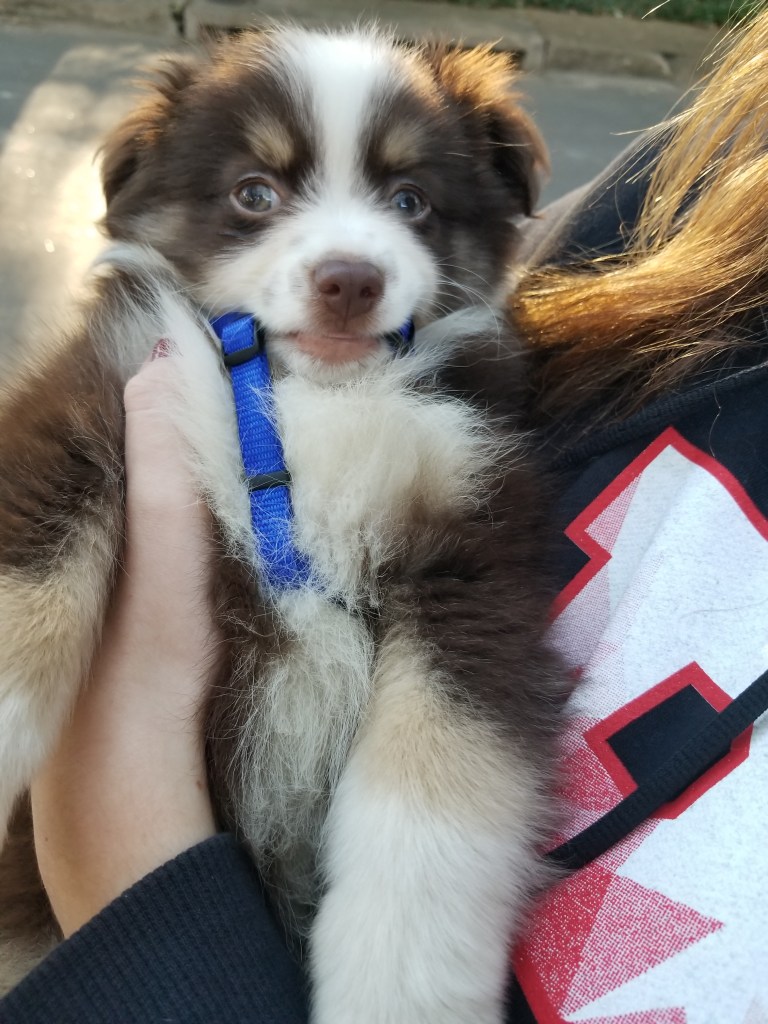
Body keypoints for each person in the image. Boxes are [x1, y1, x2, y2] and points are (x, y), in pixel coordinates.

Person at [3, 8, 768, 1022]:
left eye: (409, 200)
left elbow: (465, 673)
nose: (348, 254)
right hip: (45, 941)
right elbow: (36, 538)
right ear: (148, 195)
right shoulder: (151, 352)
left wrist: (408, 982)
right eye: (256, 194)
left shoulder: (458, 395)